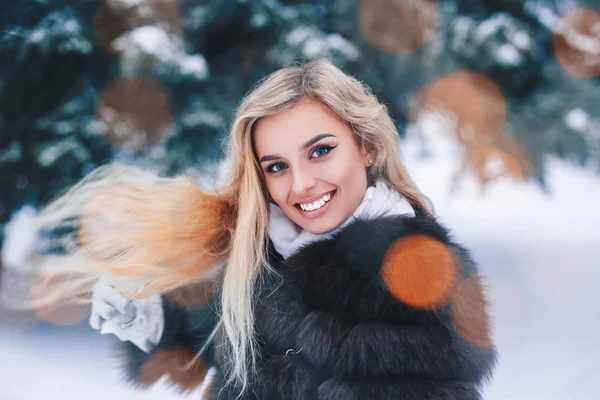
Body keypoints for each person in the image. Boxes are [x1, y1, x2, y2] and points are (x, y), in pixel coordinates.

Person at [31, 58, 497, 399]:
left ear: (368, 146)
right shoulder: (270, 254)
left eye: (320, 151)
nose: (300, 184)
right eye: (276, 166)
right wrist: (156, 322)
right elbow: (230, 342)